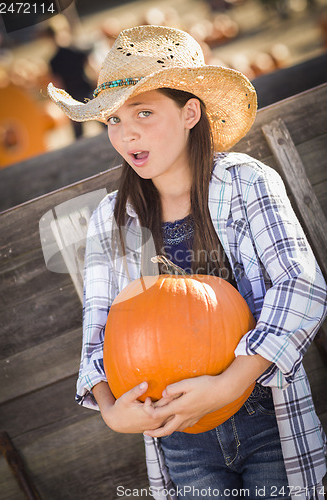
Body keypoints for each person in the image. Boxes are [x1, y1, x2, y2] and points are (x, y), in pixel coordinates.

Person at [47, 25, 327, 500]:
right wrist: (113, 411)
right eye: (113, 119)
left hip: (267, 416)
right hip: (176, 435)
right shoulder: (112, 220)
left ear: (190, 112)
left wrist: (231, 383)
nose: (126, 131)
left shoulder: (245, 182)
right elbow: (99, 334)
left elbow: (300, 286)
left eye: (144, 112)